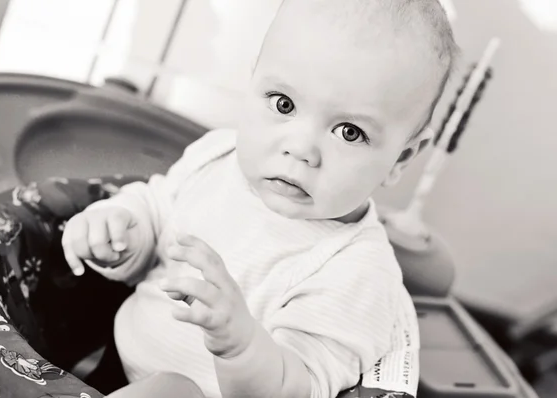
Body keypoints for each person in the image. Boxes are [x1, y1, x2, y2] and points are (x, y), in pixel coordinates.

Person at [61, 0, 459, 397]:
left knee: (173, 389)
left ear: (401, 158)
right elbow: (156, 212)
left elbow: (299, 388)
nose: (301, 149)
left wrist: (242, 347)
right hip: (119, 358)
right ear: (252, 81)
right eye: (283, 104)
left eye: (349, 132)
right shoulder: (216, 158)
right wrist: (120, 229)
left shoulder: (358, 272)